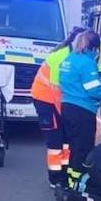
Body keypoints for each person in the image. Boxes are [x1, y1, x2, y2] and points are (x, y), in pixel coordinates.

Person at [31, 26, 83, 189]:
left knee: (67, 139)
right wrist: (67, 115)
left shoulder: (75, 55)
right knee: (55, 140)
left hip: (59, 100)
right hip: (45, 99)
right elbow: (57, 91)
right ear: (76, 41)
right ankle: (55, 178)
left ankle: (65, 171)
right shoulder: (59, 58)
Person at [58, 31, 101, 191]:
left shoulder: (69, 59)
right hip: (83, 109)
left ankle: (66, 179)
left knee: (71, 145)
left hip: (67, 105)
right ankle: (77, 183)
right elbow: (93, 90)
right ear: (95, 48)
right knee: (83, 147)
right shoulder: (87, 63)